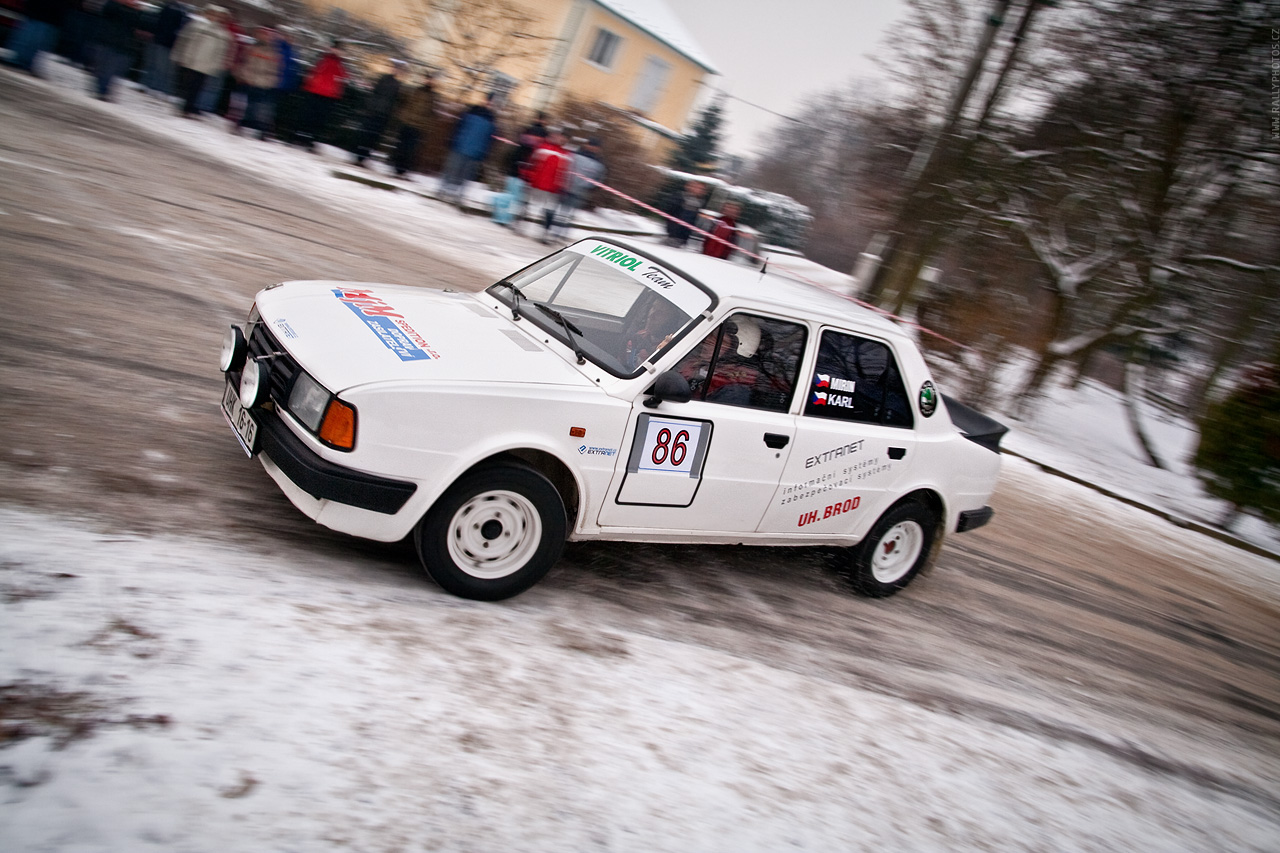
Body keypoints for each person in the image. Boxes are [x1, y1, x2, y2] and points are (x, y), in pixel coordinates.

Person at [171, 5, 232, 117]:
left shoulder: (223, 33)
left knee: (197, 87)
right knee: (186, 84)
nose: (216, 18)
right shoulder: (195, 25)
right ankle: (183, 104)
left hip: (205, 65)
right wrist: (181, 56)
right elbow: (184, 41)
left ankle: (189, 106)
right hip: (190, 60)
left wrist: (216, 65)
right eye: (213, 14)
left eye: (219, 16)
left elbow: (221, 51)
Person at [438, 92, 497, 205]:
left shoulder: (476, 113)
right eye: (489, 100)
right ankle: (450, 192)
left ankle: (450, 192)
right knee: (457, 170)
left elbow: (489, 138)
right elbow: (459, 127)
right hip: (466, 147)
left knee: (458, 171)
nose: (489, 103)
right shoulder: (485, 116)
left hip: (467, 147)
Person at [491, 115, 546, 227]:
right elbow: (516, 159)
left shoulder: (522, 146)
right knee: (513, 198)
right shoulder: (528, 149)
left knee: (511, 197)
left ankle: (501, 218)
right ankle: (500, 211)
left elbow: (509, 157)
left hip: (516, 174)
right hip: (518, 175)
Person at [296, 40, 348, 151]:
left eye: (338, 50)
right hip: (317, 92)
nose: (336, 51)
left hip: (326, 95)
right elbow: (313, 72)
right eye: (335, 49)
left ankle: (310, 139)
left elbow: (343, 79)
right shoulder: (324, 60)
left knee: (318, 119)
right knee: (309, 116)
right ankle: (303, 137)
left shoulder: (338, 64)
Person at [522, 128, 571, 243]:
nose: (562, 139)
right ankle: (520, 224)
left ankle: (544, 233)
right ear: (558, 136)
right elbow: (532, 163)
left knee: (549, 211)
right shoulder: (543, 148)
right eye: (561, 137)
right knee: (529, 205)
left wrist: (563, 186)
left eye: (565, 139)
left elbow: (565, 173)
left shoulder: (566, 154)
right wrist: (528, 177)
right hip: (537, 184)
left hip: (553, 188)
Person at [352, 59, 405, 166]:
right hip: (374, 111)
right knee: (365, 134)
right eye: (394, 68)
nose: (395, 70)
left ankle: (363, 156)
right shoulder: (384, 79)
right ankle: (359, 155)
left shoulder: (397, 85)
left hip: (383, 114)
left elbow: (395, 100)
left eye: (397, 69)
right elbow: (374, 93)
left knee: (373, 136)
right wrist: (370, 107)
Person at [551, 136, 605, 239]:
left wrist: (588, 186)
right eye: (591, 145)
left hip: (579, 191)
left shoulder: (598, 163)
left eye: (594, 146)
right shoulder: (575, 155)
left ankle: (560, 233)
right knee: (562, 212)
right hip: (567, 187)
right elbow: (565, 168)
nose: (592, 147)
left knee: (568, 214)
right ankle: (556, 232)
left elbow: (598, 179)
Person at [4, 0, 74, 76]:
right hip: (47, 17)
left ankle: (24, 60)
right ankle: (26, 61)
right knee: (35, 39)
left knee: (32, 37)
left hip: (42, 16)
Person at [233, 27, 280, 138]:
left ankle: (258, 128)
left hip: (263, 82)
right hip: (250, 79)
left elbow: (274, 70)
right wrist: (244, 75)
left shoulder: (273, 53)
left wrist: (270, 81)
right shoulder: (252, 48)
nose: (266, 37)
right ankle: (241, 124)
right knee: (246, 104)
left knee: (259, 106)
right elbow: (244, 62)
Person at [389, 70, 437, 177]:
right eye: (427, 78)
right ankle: (398, 167)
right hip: (408, 123)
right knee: (402, 146)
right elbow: (404, 102)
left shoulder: (432, 96)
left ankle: (402, 168)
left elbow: (431, 114)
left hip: (417, 126)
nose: (428, 81)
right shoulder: (416, 91)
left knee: (409, 149)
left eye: (430, 79)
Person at [140, 0, 186, 96]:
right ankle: (152, 86)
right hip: (164, 41)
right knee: (158, 66)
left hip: (163, 41)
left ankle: (151, 86)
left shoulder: (173, 7)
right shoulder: (176, 8)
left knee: (158, 66)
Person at [664, 180, 706, 247]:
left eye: (701, 189)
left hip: (684, 235)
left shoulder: (699, 202)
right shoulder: (679, 197)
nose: (699, 190)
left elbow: (693, 219)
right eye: (696, 187)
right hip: (674, 233)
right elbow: (670, 211)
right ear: (688, 187)